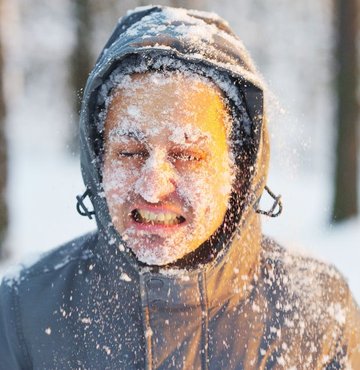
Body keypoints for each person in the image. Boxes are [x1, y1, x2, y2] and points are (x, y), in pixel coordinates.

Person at [1, 5, 359, 369]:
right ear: (99, 161)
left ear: (239, 169)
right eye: (129, 152)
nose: (153, 187)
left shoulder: (317, 312)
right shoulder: (23, 312)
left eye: (187, 155)